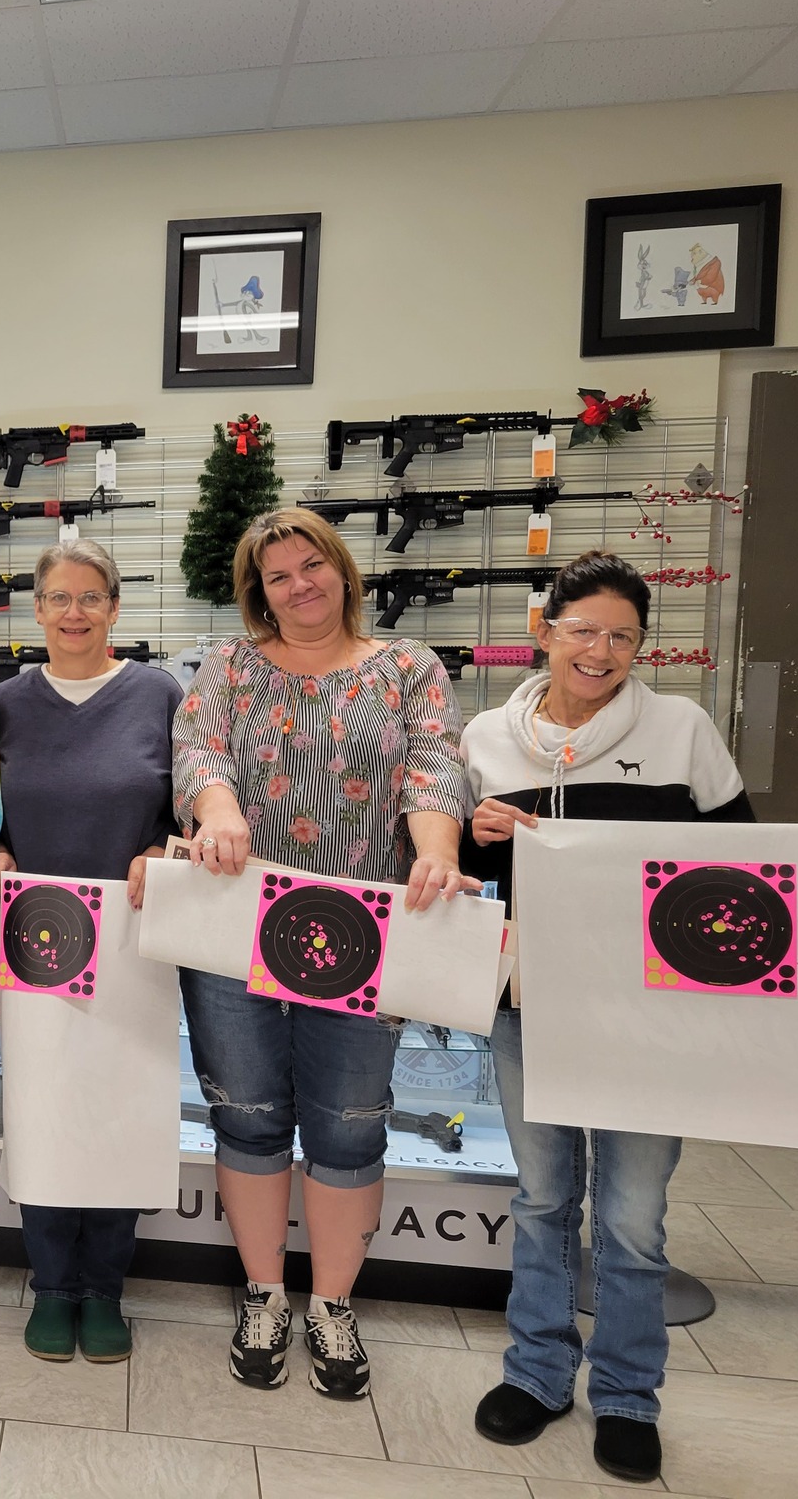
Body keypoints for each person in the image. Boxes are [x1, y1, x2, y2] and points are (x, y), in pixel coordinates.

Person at [463, 550, 751, 1484]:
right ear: (544, 631)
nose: (601, 650)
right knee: (543, 1200)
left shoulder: (682, 730)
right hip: (529, 1003)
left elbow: (741, 866)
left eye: (623, 636)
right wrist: (475, 836)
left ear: (640, 647)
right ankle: (537, 1373)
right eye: (583, 629)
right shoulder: (485, 739)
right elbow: (463, 877)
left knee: (632, 1218)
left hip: (649, 1012)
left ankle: (627, 1394)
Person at [172, 507, 472, 1401]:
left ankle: (333, 1305)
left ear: (343, 571)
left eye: (313, 566)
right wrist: (219, 811)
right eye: (279, 576)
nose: (299, 584)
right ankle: (265, 1296)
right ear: (257, 593)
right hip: (234, 928)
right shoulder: (228, 667)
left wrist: (437, 852)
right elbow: (198, 752)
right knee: (247, 1114)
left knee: (349, 1123)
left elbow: (434, 769)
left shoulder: (410, 669)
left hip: (363, 935)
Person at [0, 539, 183, 1365]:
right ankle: (52, 1284)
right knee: (43, 1108)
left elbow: (191, 801)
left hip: (135, 941)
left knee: (120, 1108)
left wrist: (165, 847)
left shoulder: (159, 694)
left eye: (91, 597)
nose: (75, 613)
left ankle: (103, 1286)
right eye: (59, 598)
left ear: (114, 608)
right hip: (33, 938)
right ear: (36, 610)